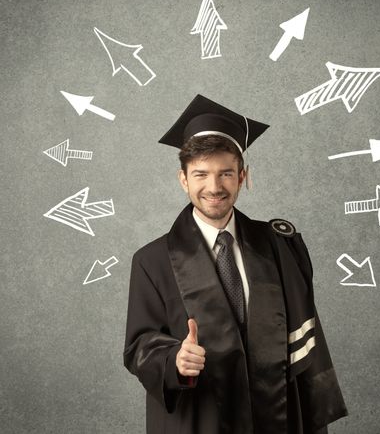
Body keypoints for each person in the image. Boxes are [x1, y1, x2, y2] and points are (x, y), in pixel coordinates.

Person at [123, 94, 348, 434]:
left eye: (225, 173)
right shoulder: (151, 261)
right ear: (183, 179)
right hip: (200, 418)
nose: (213, 187)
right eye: (200, 174)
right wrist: (174, 360)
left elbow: (306, 347)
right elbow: (139, 345)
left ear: (243, 176)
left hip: (275, 414)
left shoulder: (279, 246)